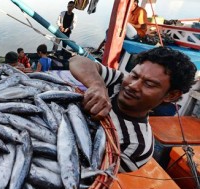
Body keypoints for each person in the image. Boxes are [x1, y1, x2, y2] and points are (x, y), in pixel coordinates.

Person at [69, 47, 197, 172]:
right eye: (134, 76)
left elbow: (85, 173)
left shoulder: (137, 147)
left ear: (171, 95)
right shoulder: (118, 82)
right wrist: (97, 85)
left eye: (149, 84)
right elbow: (77, 61)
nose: (133, 85)